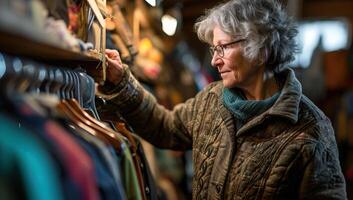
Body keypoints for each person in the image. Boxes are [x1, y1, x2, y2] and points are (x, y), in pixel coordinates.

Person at [98, 0, 347, 199]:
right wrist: (122, 82)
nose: (215, 60)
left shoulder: (310, 129)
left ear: (261, 49)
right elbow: (165, 127)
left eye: (224, 48)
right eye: (214, 49)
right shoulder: (211, 99)